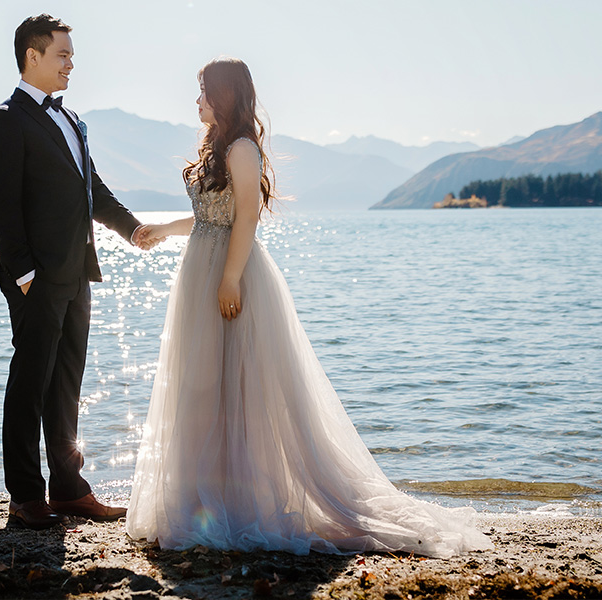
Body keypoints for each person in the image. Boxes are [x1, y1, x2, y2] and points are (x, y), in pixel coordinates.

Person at [126, 58, 492, 556]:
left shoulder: (241, 148)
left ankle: (245, 501)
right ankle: (202, 501)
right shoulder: (214, 147)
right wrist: (162, 231)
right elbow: (209, 217)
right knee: (202, 386)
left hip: (230, 274)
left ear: (225, 96)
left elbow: (247, 219)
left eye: (205, 93)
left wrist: (230, 279)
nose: (197, 101)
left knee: (241, 386)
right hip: (200, 272)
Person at [0, 14, 153, 529]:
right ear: (32, 56)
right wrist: (26, 274)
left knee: (67, 384)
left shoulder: (72, 119)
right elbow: (1, 206)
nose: (71, 63)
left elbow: (90, 190)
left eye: (72, 55)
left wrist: (134, 230)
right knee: (30, 384)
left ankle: (70, 489)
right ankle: (26, 497)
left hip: (77, 273)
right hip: (34, 278)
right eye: (62, 54)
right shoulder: (5, 120)